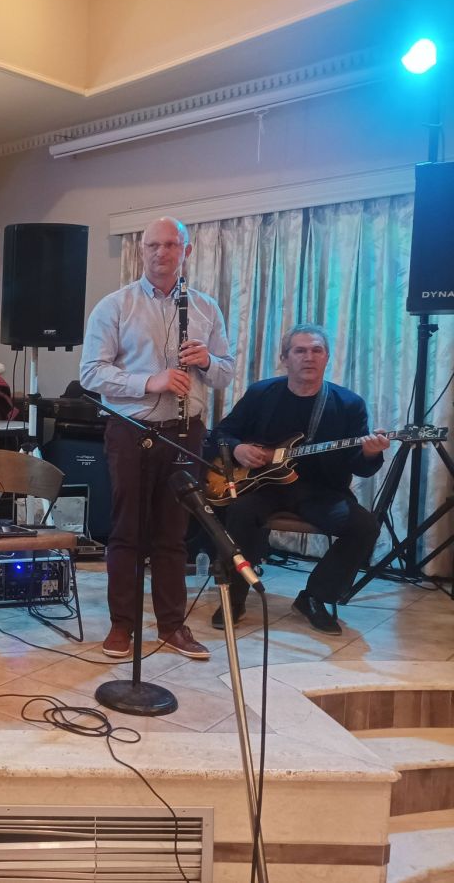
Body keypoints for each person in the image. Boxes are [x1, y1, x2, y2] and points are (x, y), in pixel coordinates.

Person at [80, 217, 235, 661]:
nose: (161, 253)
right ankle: (122, 626)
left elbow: (225, 373)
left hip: (187, 431)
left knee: (173, 533)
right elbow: (90, 373)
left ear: (186, 251)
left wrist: (207, 361)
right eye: (153, 245)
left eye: (170, 245)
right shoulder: (115, 305)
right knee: (127, 531)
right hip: (131, 430)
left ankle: (171, 626)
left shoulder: (206, 307)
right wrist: (152, 381)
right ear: (141, 250)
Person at [209, 324, 389, 634]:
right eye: (300, 350)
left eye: (317, 350)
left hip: (322, 492)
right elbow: (222, 433)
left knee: (364, 527)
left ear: (327, 357)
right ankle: (234, 598)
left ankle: (314, 597)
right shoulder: (261, 393)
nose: (309, 357)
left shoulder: (349, 404)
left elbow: (360, 466)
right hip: (263, 486)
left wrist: (370, 453)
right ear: (285, 358)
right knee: (239, 511)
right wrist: (237, 448)